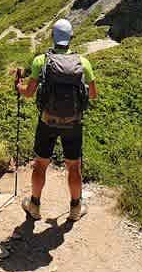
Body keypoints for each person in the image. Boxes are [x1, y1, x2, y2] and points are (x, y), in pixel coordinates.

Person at [15, 18, 98, 222]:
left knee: (41, 164)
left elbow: (28, 93)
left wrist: (18, 85)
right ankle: (75, 208)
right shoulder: (83, 63)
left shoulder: (40, 61)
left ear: (53, 37)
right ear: (70, 38)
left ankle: (34, 205)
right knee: (73, 166)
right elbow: (93, 94)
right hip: (73, 123)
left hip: (47, 122)